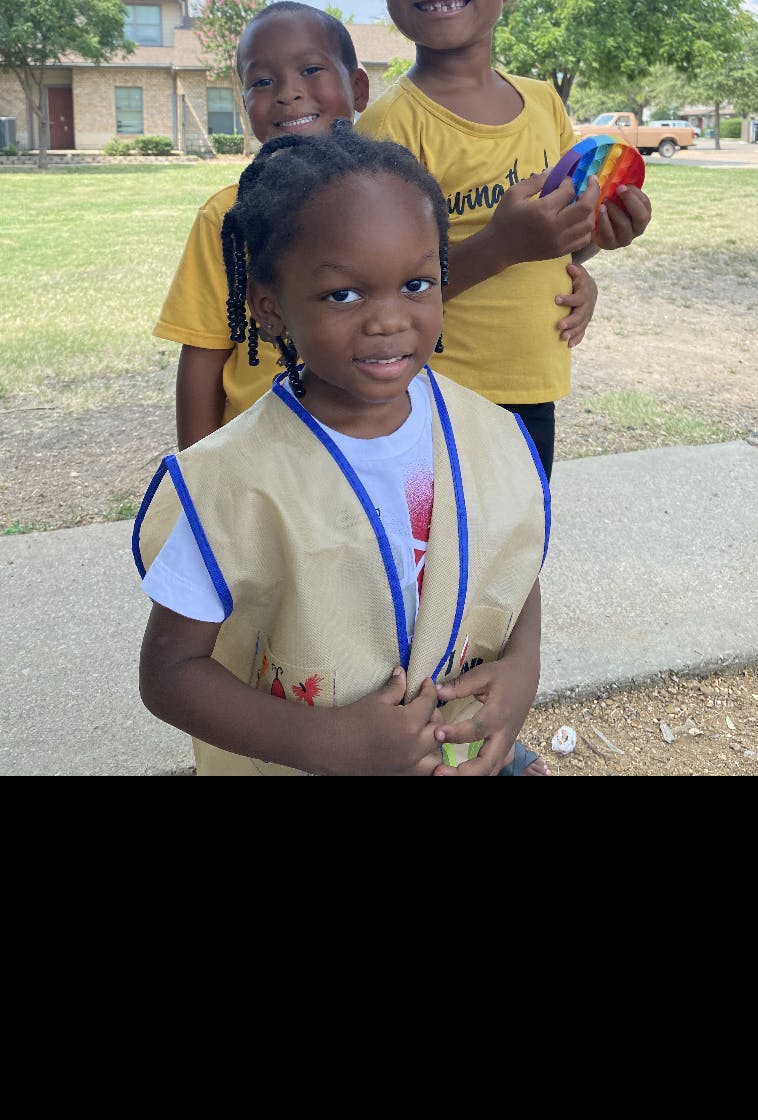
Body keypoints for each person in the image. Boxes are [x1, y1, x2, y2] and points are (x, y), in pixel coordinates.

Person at [133, 124, 551, 777]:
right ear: (269, 310)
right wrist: (334, 745)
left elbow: (506, 563)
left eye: (416, 284)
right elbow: (169, 674)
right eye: (343, 294)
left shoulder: (483, 432)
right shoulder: (237, 481)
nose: (388, 319)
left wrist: (522, 669)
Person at [355, 0, 653, 487]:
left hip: (533, 389)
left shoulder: (547, 105)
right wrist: (503, 244)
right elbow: (377, 290)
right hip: (427, 395)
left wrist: (591, 252)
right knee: (437, 576)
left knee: (519, 560)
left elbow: (554, 242)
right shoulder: (387, 128)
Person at [153, 1, 369, 449]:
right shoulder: (228, 218)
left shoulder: (392, 202)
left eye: (311, 69)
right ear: (245, 102)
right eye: (263, 81)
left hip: (369, 451)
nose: (288, 93)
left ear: (358, 88)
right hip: (255, 458)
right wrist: (201, 483)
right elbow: (202, 359)